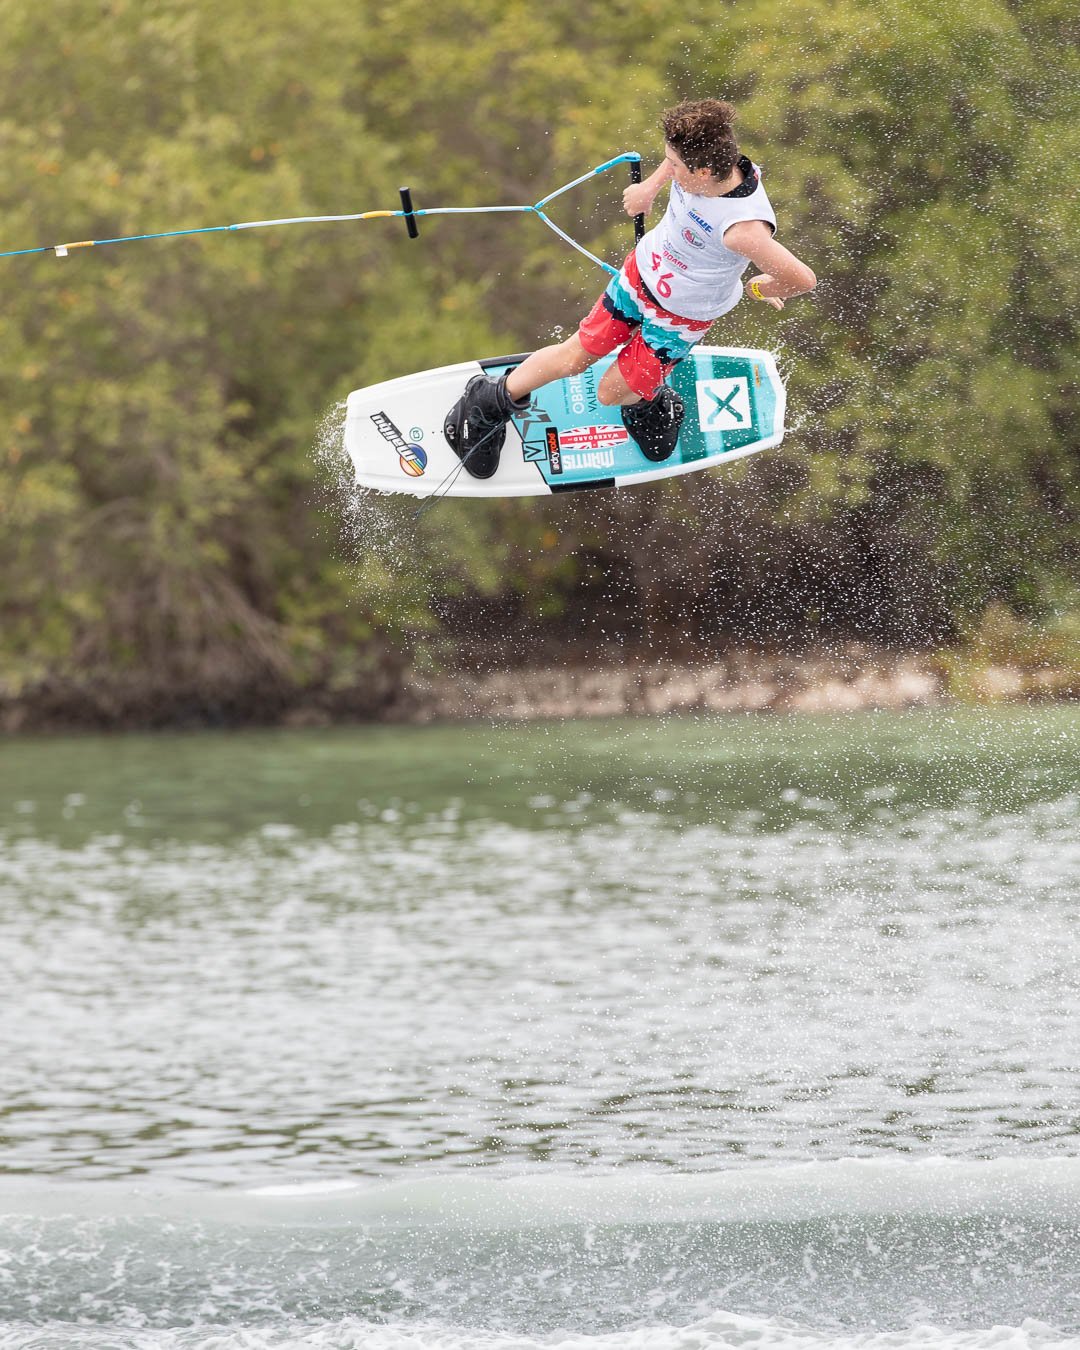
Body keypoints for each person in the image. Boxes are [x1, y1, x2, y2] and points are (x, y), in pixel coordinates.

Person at [443, 98, 817, 478]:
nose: (668, 168)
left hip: (680, 318)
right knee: (575, 357)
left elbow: (803, 280)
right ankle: (487, 400)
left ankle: (653, 402)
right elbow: (676, 162)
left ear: (703, 172)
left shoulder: (743, 231)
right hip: (639, 276)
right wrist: (650, 190)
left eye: (673, 166)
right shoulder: (710, 163)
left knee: (611, 394)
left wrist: (759, 287)